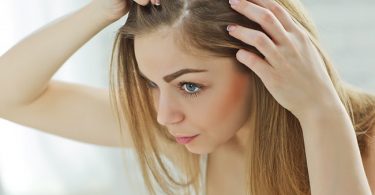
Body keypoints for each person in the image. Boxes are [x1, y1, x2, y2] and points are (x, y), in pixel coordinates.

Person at [0, 0, 374, 194]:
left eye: (189, 86)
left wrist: (320, 110)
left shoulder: (367, 137)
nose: (164, 115)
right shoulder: (194, 136)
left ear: (264, 66)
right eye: (151, 83)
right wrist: (101, 10)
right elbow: (9, 96)